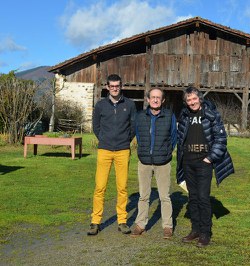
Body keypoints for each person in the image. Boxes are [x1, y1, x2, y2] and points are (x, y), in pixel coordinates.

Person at [176, 86, 234, 247]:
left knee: (203, 197)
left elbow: (221, 139)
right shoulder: (184, 115)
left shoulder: (211, 115)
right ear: (186, 102)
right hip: (188, 161)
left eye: (194, 99)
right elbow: (180, 137)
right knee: (192, 197)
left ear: (200, 99)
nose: (192, 102)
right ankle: (195, 230)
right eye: (189, 100)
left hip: (204, 162)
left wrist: (210, 158)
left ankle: (205, 233)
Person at [87, 74, 136, 236]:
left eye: (118, 86)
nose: (115, 88)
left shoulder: (129, 105)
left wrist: (125, 140)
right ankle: (95, 222)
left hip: (123, 150)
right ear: (107, 87)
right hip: (105, 150)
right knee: (100, 187)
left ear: (121, 86)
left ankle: (122, 221)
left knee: (122, 187)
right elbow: (96, 126)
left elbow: (133, 126)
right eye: (112, 86)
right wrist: (104, 139)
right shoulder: (100, 105)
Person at [130, 88, 176, 239]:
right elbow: (136, 133)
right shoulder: (140, 116)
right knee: (143, 196)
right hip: (144, 162)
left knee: (165, 196)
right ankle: (140, 224)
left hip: (163, 162)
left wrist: (167, 152)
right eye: (153, 97)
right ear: (148, 100)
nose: (155, 100)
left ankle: (167, 226)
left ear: (163, 101)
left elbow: (174, 138)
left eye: (158, 98)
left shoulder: (169, 116)